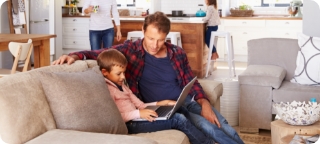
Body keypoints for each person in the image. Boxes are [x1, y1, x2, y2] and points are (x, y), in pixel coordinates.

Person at [53, 11, 244, 144]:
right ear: (143, 31)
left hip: (185, 101)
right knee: (209, 128)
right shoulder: (131, 50)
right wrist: (76, 55)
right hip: (160, 105)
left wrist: (204, 104)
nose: (155, 44)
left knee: (222, 124)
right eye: (151, 38)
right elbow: (101, 53)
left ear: (167, 37)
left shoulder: (176, 53)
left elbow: (189, 82)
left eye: (160, 40)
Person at [97, 49, 214, 144]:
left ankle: (198, 136)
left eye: (124, 72)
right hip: (130, 125)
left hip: (139, 117)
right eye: (119, 73)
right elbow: (114, 119)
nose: (123, 77)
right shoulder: (108, 90)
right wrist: (138, 113)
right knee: (178, 120)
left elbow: (140, 105)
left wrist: (160, 103)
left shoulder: (122, 85)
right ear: (104, 72)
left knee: (180, 109)